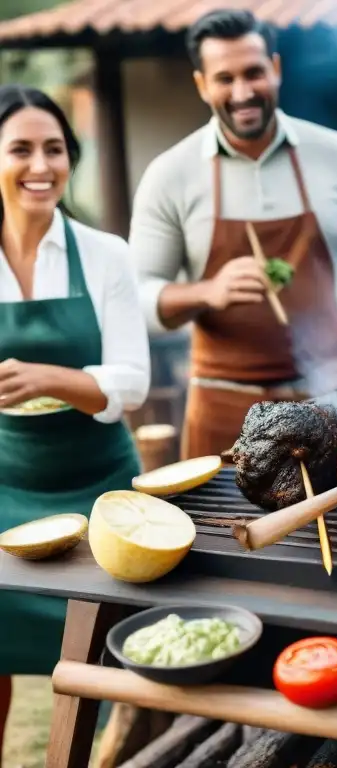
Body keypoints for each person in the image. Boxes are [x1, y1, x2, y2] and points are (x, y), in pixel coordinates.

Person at [129, 8, 337, 460]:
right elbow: (138, 299)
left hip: (327, 402)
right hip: (221, 410)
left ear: (276, 69)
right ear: (202, 85)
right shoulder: (170, 174)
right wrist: (208, 291)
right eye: (224, 78)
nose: (243, 92)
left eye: (254, 73)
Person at [0, 86, 149, 758]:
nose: (41, 165)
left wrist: (55, 379)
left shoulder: (106, 253)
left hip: (98, 488)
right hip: (4, 486)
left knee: (96, 661)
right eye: (21, 149)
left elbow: (134, 381)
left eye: (54, 149)